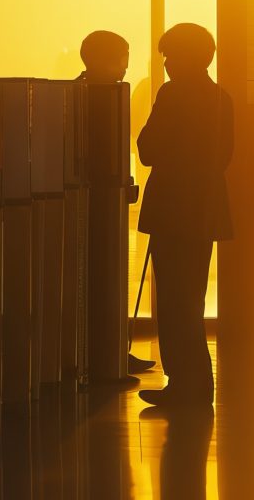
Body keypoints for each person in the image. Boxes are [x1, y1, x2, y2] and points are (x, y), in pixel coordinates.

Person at [136, 23, 233, 407]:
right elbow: (225, 156)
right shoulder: (221, 98)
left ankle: (185, 384)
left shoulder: (172, 94)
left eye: (170, 55)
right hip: (204, 208)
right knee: (190, 296)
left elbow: (147, 147)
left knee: (175, 300)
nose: (167, 63)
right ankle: (197, 383)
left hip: (172, 207)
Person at [78, 30, 155, 375]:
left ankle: (112, 350)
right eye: (122, 57)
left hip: (103, 197)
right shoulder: (95, 97)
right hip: (95, 202)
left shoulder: (92, 93)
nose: (126, 66)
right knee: (100, 280)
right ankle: (105, 355)